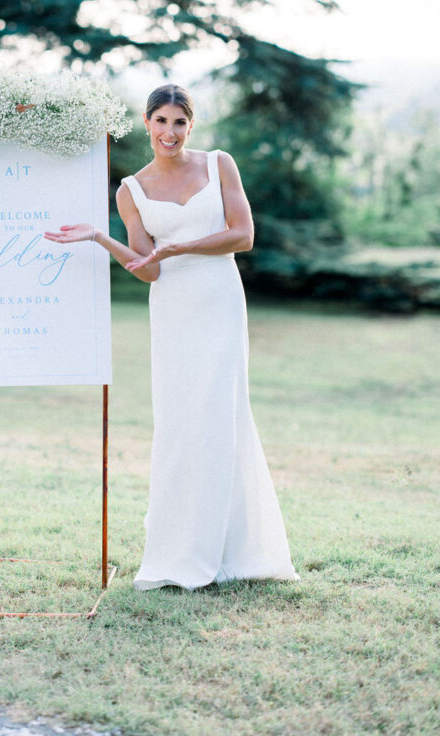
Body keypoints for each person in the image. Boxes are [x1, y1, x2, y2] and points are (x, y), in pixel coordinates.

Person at [44, 83, 299, 590]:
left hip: (220, 301)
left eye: (179, 122)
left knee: (222, 414)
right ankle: (181, 551)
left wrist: (176, 248)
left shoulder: (219, 164)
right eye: (160, 121)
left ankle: (238, 550)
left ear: (191, 125)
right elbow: (148, 269)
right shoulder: (130, 190)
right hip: (173, 311)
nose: (170, 132)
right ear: (146, 123)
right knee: (182, 424)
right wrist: (101, 237)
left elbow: (243, 236)